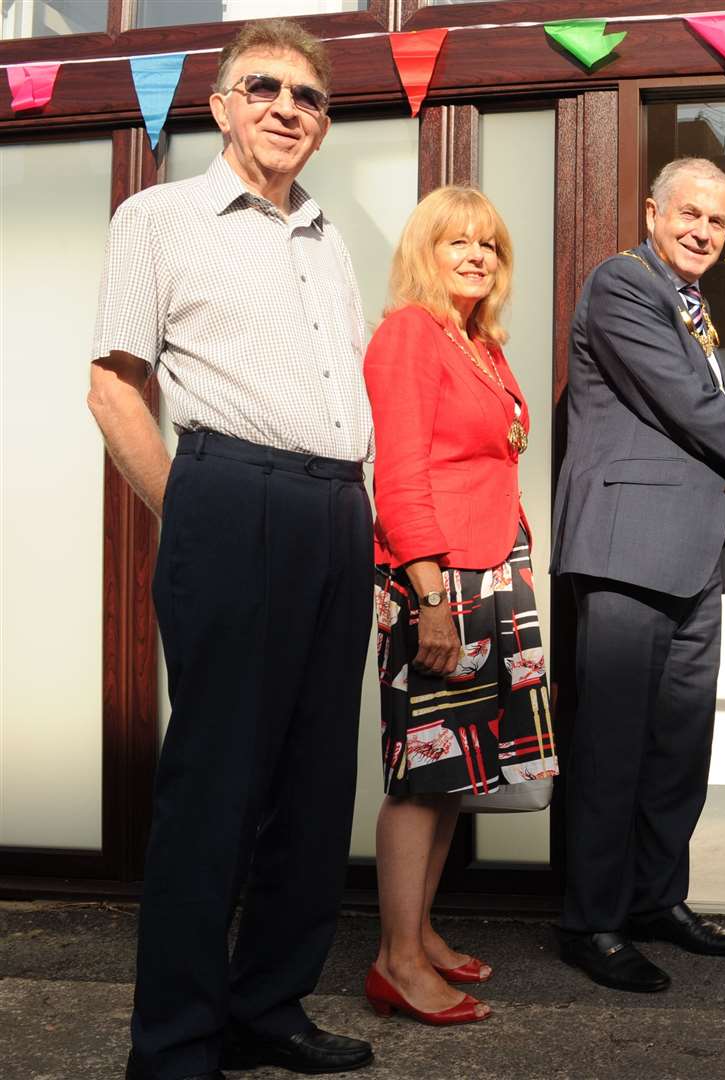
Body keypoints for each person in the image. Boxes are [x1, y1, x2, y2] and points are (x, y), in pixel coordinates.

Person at [87, 20, 375, 1080]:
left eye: (309, 96)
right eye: (263, 87)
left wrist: (373, 528)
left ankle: (269, 1006)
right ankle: (173, 1044)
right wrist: (195, 511)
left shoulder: (329, 235)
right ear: (218, 106)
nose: (288, 108)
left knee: (313, 786)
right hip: (233, 498)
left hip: (340, 510)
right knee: (213, 791)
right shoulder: (158, 216)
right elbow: (113, 389)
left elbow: (342, 395)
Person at [551, 156, 725, 992]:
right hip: (628, 552)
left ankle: (657, 901)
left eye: (717, 223)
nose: (701, 231)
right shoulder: (622, 284)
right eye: (688, 214)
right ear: (652, 210)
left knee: (678, 750)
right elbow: (680, 402)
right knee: (613, 749)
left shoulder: (690, 307)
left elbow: (685, 402)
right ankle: (592, 922)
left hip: (693, 558)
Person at [361, 186, 556, 1025]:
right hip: (436, 581)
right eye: (457, 243)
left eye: (489, 244)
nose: (476, 255)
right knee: (421, 774)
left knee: (454, 772)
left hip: (490, 574)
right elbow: (399, 474)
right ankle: (396, 961)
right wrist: (431, 597)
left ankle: (422, 931)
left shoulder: (479, 343)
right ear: (424, 254)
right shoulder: (409, 335)